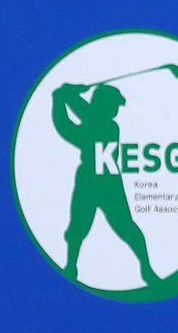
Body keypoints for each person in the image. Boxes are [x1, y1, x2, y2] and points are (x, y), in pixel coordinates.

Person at [51, 81, 162, 288]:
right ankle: (71, 267)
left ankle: (146, 268)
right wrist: (65, 96)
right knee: (78, 226)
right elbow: (78, 120)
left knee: (125, 226)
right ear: (102, 103)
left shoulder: (108, 126)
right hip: (92, 179)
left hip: (106, 179)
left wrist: (63, 96)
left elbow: (70, 128)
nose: (116, 109)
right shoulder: (97, 119)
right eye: (113, 104)